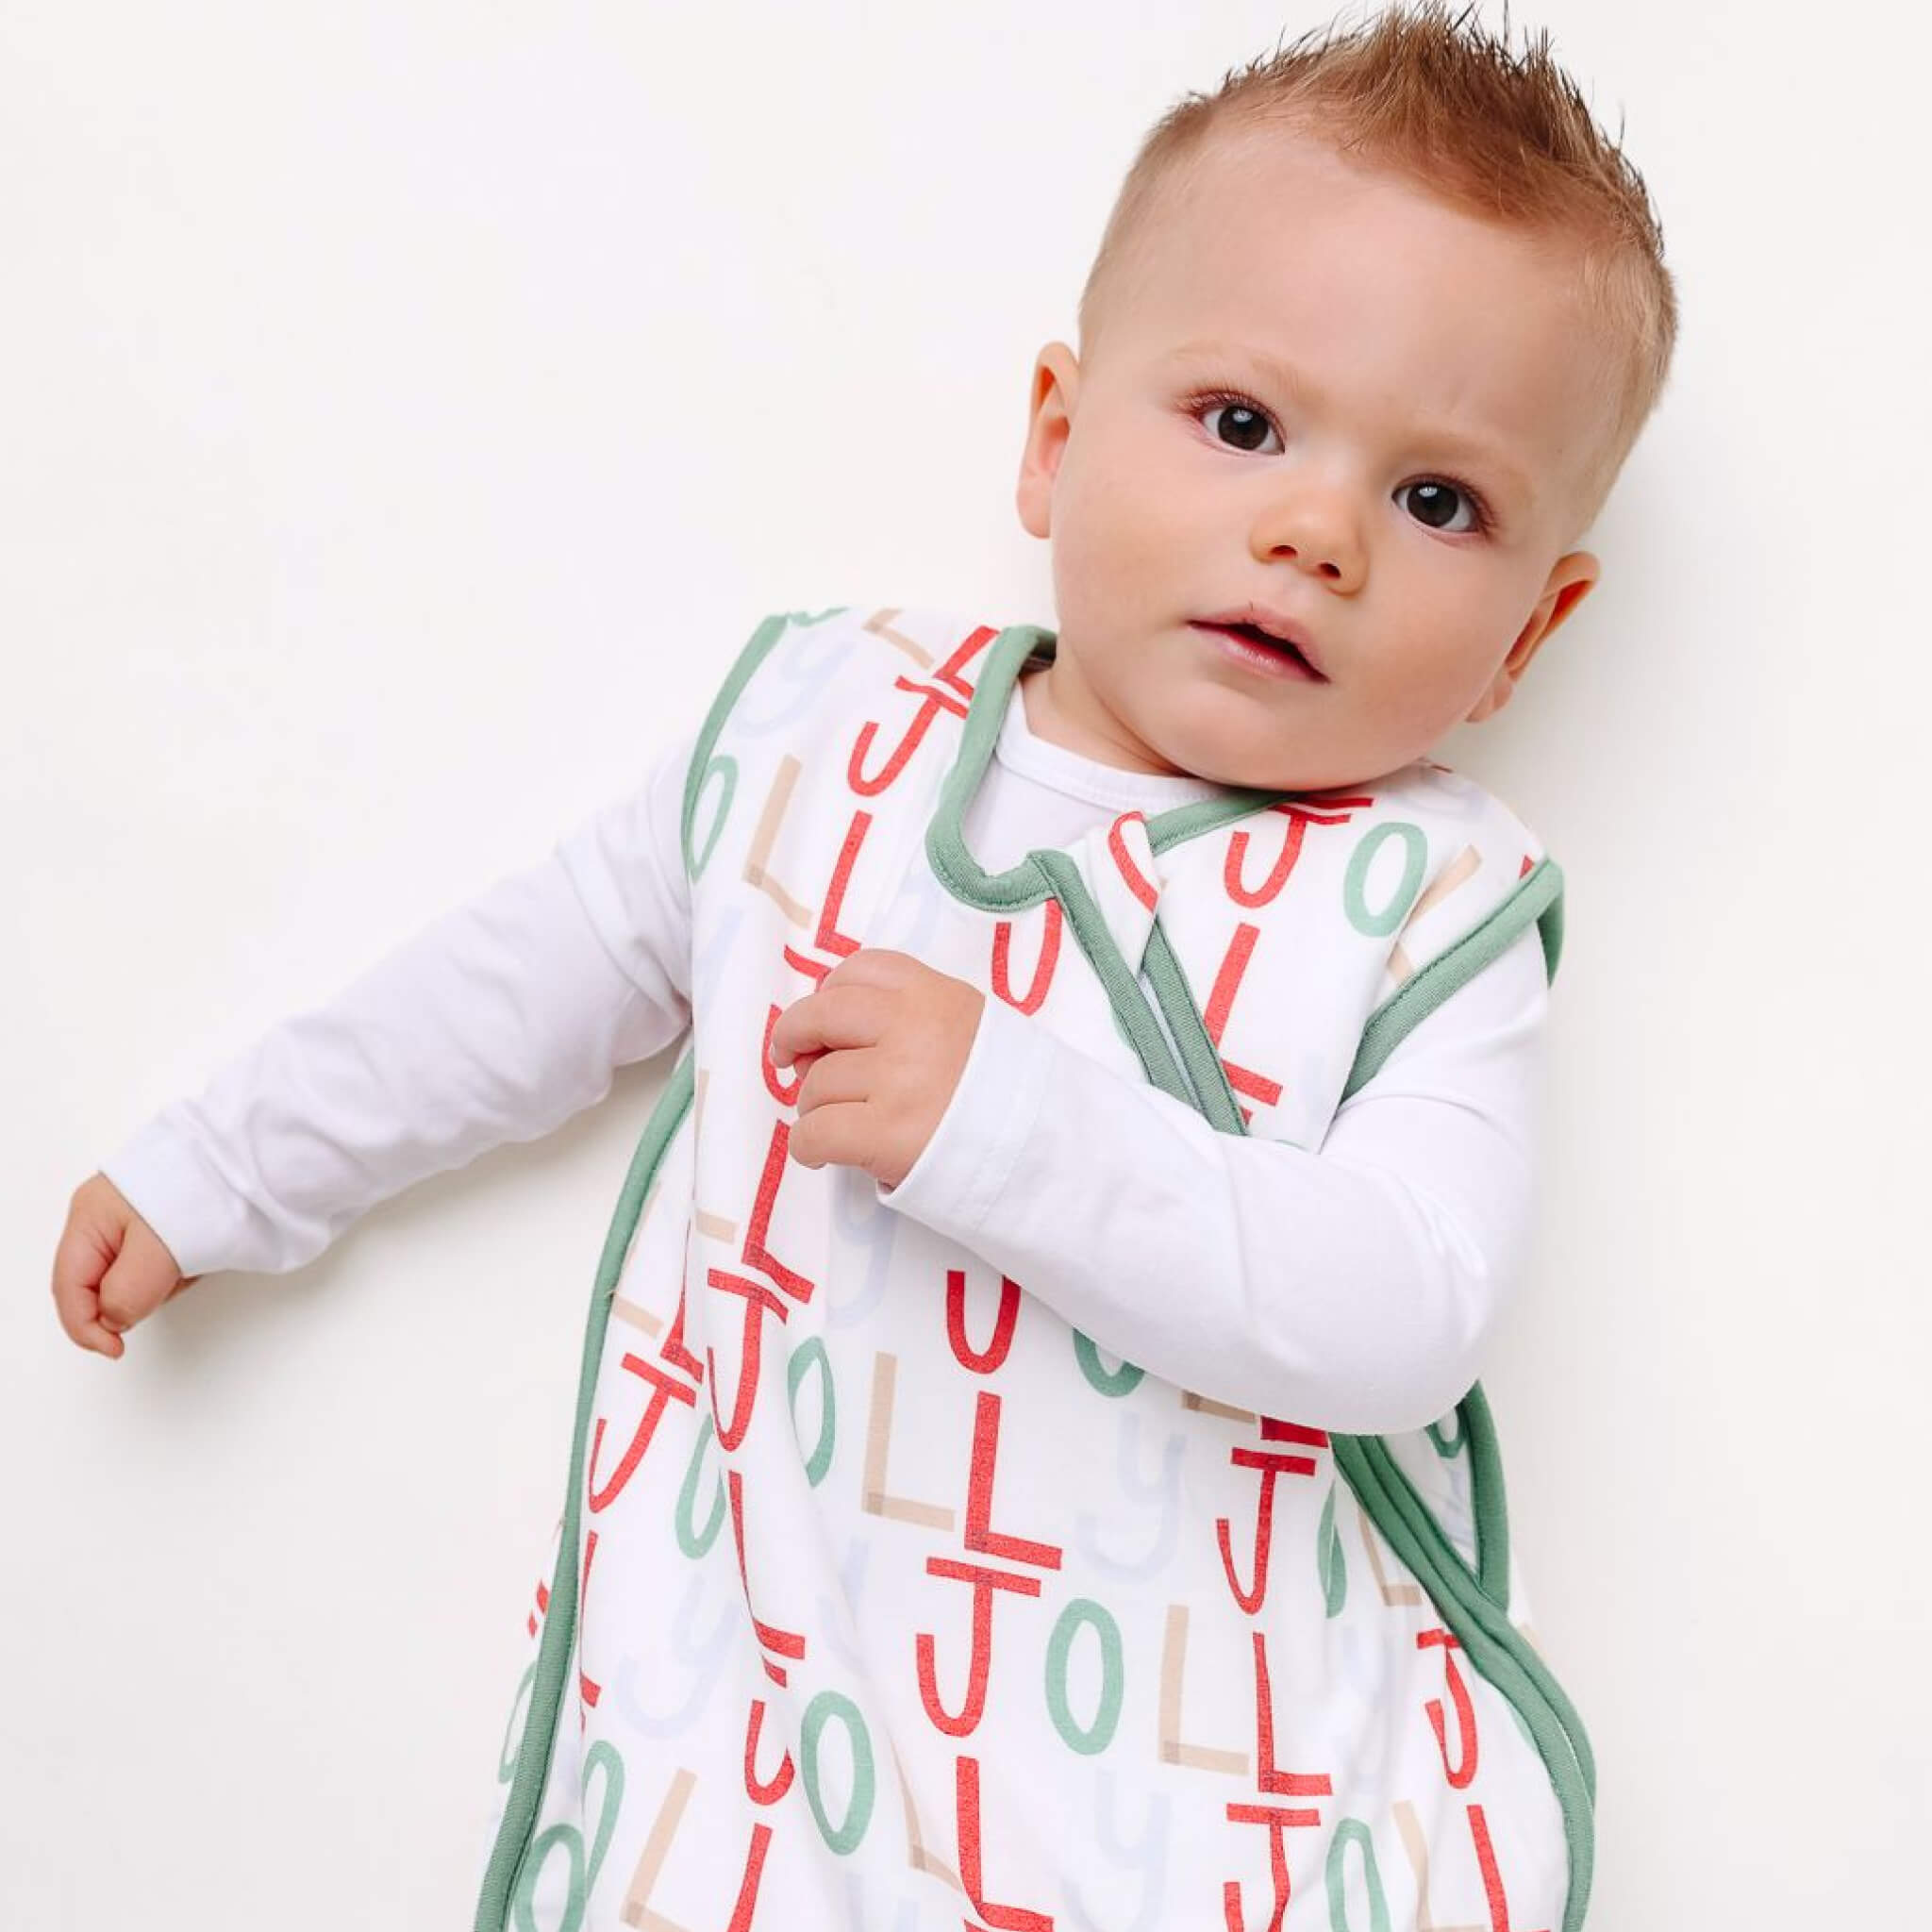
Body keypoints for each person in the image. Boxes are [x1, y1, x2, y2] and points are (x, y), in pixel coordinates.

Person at [49, 5, 1676, 1927]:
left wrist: (1012, 1123)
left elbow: (1408, 1300)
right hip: (772, 1717)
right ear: (1056, 440)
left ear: (1530, 631)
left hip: (1194, 1772)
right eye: (1243, 424)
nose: (1317, 531)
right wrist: (226, 1167)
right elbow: (517, 982)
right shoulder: (826, 740)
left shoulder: (1426, 907)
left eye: (1439, 502)